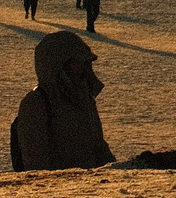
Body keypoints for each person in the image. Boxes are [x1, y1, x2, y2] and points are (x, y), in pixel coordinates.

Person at [10, 31, 113, 170]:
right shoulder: (36, 104)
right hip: (59, 190)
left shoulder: (85, 99)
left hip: (91, 190)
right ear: (59, 65)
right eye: (78, 62)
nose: (85, 68)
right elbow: (36, 165)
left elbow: (99, 150)